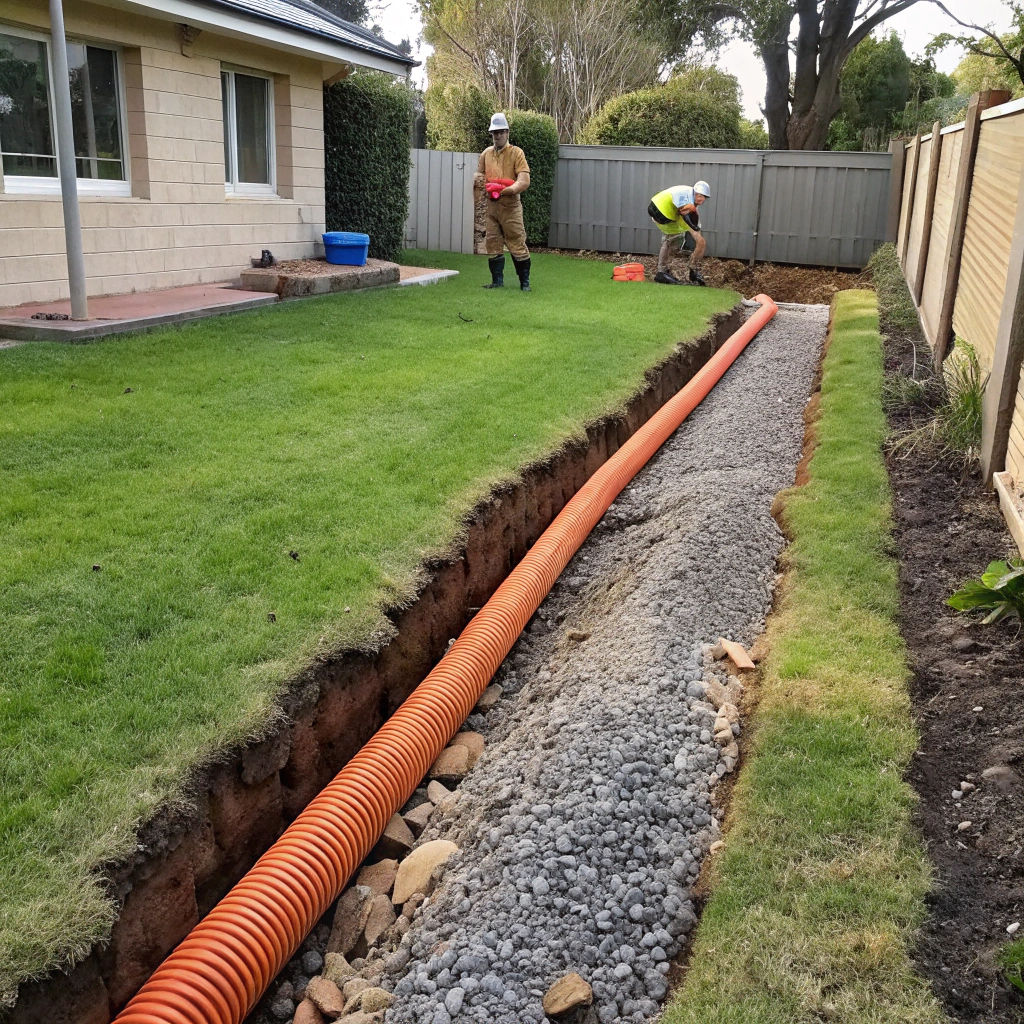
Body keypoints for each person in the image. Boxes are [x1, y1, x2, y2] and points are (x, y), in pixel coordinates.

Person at [476, 113, 532, 291]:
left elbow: (524, 179)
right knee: (492, 242)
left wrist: (508, 190)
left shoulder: (517, 153)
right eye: (494, 133)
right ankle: (497, 281)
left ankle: (525, 282)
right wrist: (481, 188)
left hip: (510, 206)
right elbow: (479, 177)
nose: (497, 136)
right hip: (491, 207)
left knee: (516, 241)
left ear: (507, 133)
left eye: (500, 132)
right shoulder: (486, 154)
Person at [647, 181, 712, 286]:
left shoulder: (689, 197)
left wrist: (696, 229)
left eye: (704, 197)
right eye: (700, 196)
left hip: (659, 208)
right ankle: (662, 271)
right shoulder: (687, 198)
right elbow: (684, 213)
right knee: (672, 239)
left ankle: (688, 270)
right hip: (662, 210)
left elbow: (691, 215)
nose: (702, 199)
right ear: (695, 193)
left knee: (681, 237)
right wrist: (694, 227)